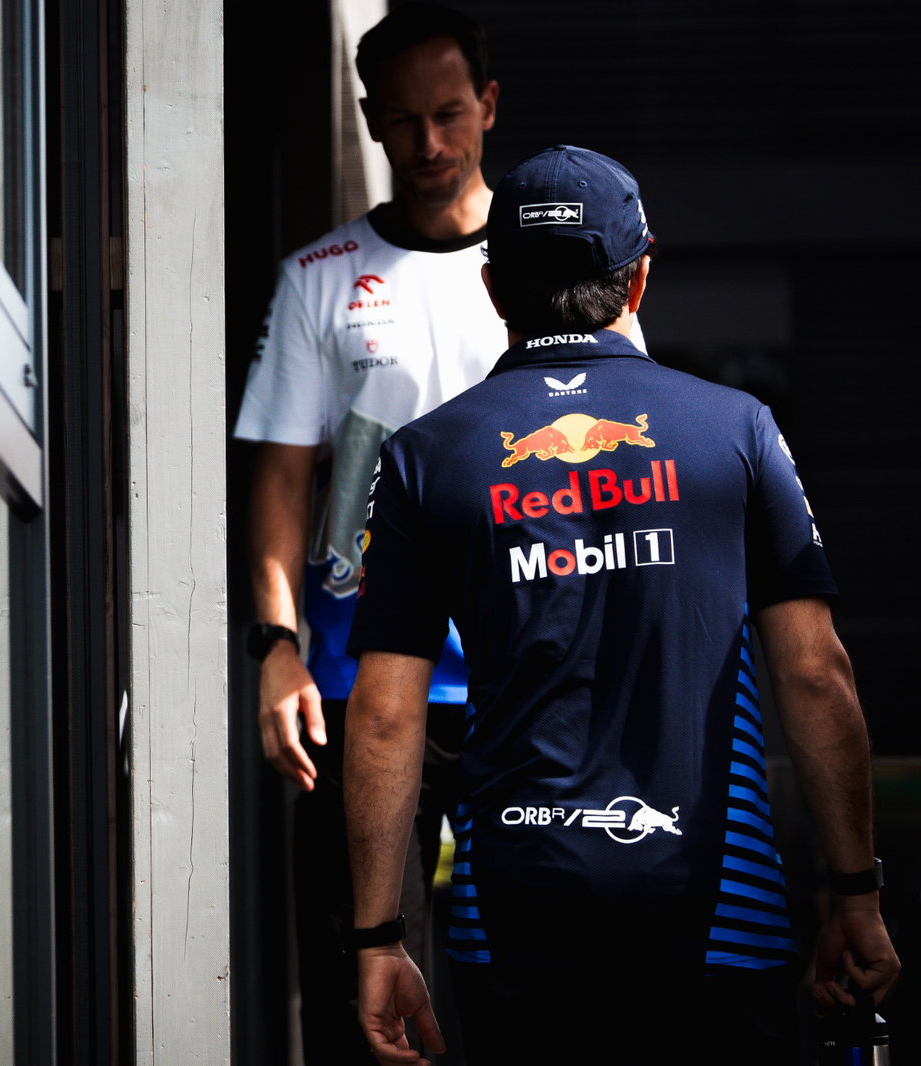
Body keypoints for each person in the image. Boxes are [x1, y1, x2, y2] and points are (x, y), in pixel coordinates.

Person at [344, 144, 901, 1066]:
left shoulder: (422, 457)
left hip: (515, 912)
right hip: (722, 913)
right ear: (638, 277)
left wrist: (377, 941)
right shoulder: (737, 429)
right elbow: (814, 670)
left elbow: (384, 715)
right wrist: (855, 894)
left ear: (493, 288)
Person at [232, 5, 504, 1059]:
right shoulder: (322, 274)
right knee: (360, 982)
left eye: (448, 114)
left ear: (488, 105)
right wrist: (275, 644)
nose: (428, 146)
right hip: (359, 686)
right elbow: (282, 475)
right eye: (401, 122)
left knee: (525, 968)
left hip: (525, 675)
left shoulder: (546, 262)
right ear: (370, 123)